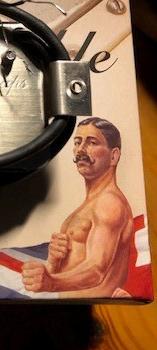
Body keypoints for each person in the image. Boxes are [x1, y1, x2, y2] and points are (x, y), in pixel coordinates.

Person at [21, 117, 134, 297]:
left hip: (92, 305)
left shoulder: (109, 203)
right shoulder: (90, 204)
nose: (81, 149)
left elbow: (96, 270)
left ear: (114, 156)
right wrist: (54, 261)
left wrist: (51, 283)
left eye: (92, 142)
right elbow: (65, 273)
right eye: (77, 142)